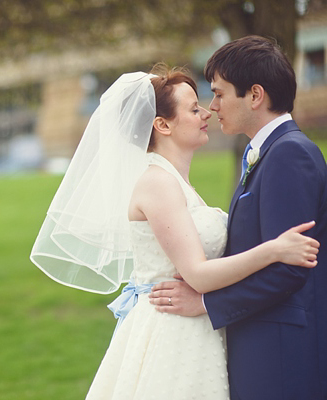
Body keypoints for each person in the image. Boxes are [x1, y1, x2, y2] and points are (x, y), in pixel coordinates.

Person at [30, 63, 320, 399]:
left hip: (196, 328)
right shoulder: (157, 184)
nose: (207, 113)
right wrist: (274, 249)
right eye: (194, 108)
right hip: (173, 332)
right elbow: (196, 274)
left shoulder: (176, 184)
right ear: (163, 125)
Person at [150, 36, 327, 400]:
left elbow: (291, 267)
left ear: (255, 95)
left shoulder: (289, 155)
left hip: (280, 351)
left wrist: (205, 304)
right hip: (260, 341)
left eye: (219, 93)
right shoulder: (264, 152)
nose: (212, 107)